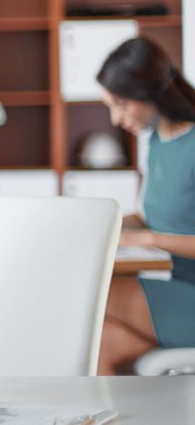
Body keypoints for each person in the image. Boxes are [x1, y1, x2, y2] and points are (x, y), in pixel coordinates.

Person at [96, 37, 195, 375]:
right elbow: (155, 215)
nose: (115, 118)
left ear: (152, 93)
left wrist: (146, 239)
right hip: (182, 290)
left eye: (122, 104)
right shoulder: (156, 142)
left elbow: (155, 230)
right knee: (102, 342)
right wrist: (104, 223)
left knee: (97, 296)